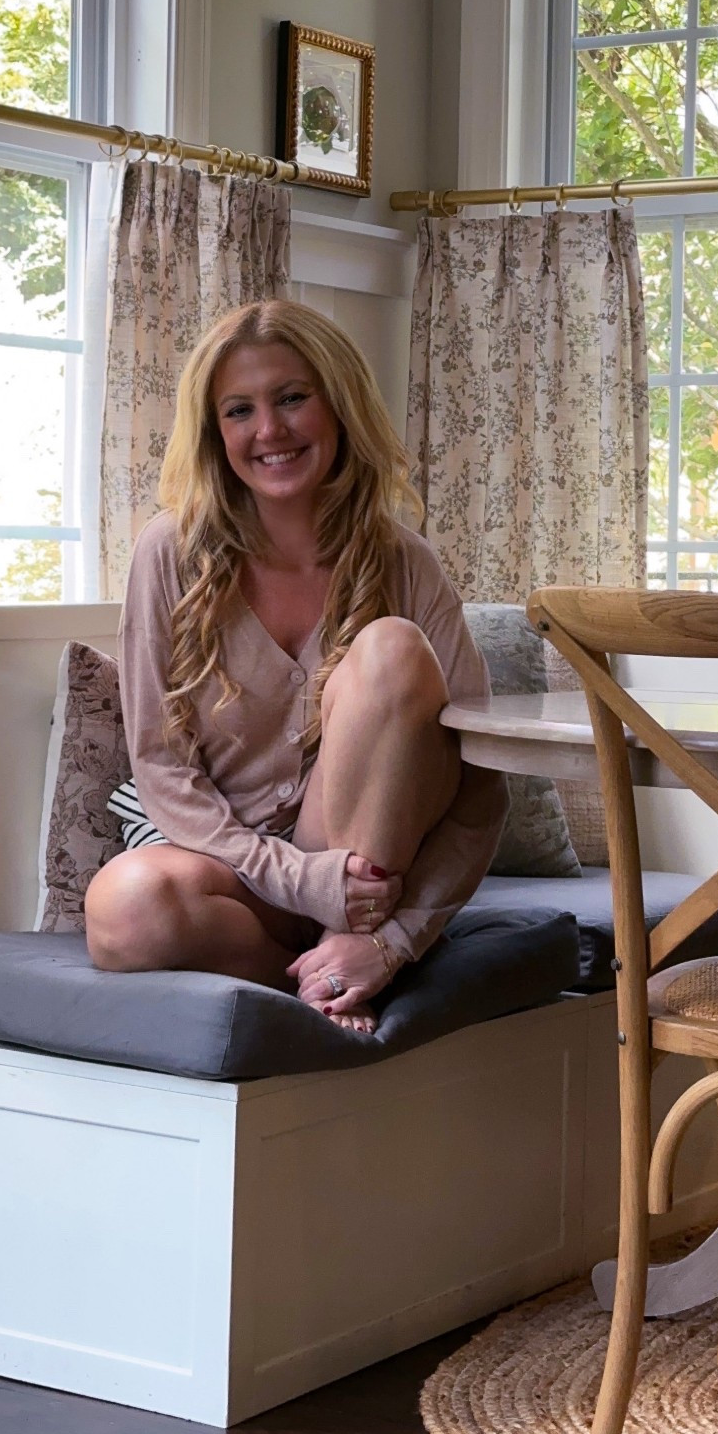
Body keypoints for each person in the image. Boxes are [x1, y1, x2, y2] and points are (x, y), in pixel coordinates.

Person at [85, 298, 507, 1033]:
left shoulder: (405, 560)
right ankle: (321, 978)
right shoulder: (169, 553)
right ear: (216, 434)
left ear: (338, 408)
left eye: (291, 399)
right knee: (123, 909)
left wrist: (393, 938)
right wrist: (301, 881)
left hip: (370, 882)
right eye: (239, 410)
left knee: (392, 648)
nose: (269, 431)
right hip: (237, 874)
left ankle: (352, 954)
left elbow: (479, 788)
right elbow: (162, 769)